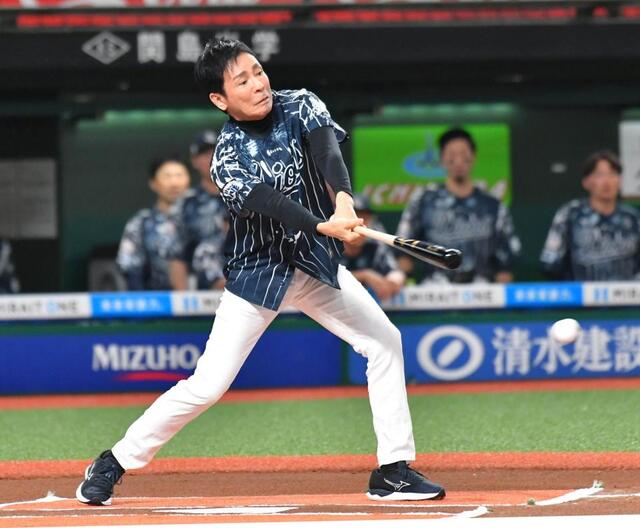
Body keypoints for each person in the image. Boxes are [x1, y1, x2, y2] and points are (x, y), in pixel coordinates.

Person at [76, 37, 445, 506]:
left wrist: (343, 202)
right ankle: (114, 461)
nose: (258, 84)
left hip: (314, 264)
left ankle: (392, 471)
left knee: (384, 342)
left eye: (258, 71)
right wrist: (323, 224)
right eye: (242, 80)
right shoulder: (226, 157)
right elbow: (271, 204)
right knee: (208, 385)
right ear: (220, 99)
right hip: (260, 274)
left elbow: (328, 154)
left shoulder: (301, 104)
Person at [396, 127, 521, 284]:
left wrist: (500, 292)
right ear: (442, 159)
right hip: (437, 288)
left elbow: (506, 265)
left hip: (482, 288)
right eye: (451, 155)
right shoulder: (424, 201)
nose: (458, 161)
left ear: (473, 157)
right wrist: (404, 281)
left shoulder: (493, 206)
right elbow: (403, 249)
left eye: (463, 154)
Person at [540, 150, 640, 280]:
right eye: (600, 175)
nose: (607, 182)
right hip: (581, 290)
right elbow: (549, 262)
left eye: (613, 174)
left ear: (620, 181)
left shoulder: (633, 218)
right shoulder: (570, 214)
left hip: (626, 291)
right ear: (586, 182)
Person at [116, 158, 190, 291]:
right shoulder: (141, 221)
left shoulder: (205, 219)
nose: (174, 183)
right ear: (153, 183)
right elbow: (129, 266)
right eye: (167, 176)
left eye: (179, 175)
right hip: (157, 299)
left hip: (210, 299)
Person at [174, 130, 229, 289]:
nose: (212, 158)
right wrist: (182, 301)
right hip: (205, 295)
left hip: (253, 288)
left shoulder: (249, 195)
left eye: (217, 151)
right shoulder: (186, 203)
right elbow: (177, 256)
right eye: (205, 154)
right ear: (194, 161)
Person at [340, 194, 405, 301]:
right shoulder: (330, 240)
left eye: (365, 218)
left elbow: (394, 271)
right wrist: (364, 275)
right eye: (355, 216)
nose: (361, 224)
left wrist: (393, 281)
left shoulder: (375, 241)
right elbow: (324, 280)